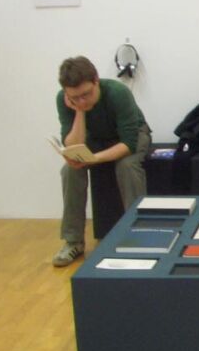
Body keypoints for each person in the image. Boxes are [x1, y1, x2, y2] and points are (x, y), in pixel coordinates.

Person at [53, 56, 151, 266]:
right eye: (75, 97)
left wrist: (94, 159)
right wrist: (79, 112)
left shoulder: (117, 92)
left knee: (127, 166)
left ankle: (139, 233)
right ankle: (73, 241)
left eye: (86, 95)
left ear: (96, 80)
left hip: (131, 135)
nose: (82, 101)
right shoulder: (65, 100)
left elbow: (128, 144)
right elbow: (72, 145)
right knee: (69, 170)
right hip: (95, 139)